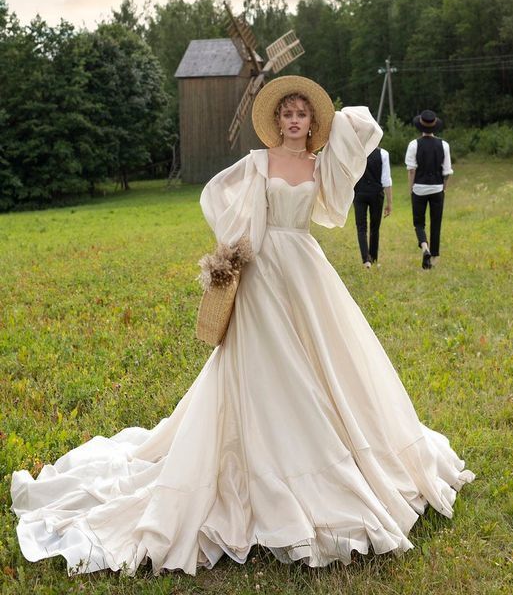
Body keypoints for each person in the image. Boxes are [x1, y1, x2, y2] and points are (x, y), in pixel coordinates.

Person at [11, 77, 473, 577]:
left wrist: (336, 123)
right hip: (263, 272)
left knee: (323, 362)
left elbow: (362, 129)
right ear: (276, 122)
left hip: (305, 271)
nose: (293, 121)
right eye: (287, 114)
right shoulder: (258, 162)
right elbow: (216, 195)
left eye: (302, 115)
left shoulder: (320, 165)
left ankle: (331, 451)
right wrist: (233, 246)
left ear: (312, 122)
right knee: (262, 362)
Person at [405, 110, 453, 269]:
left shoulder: (414, 144)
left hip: (419, 188)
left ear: (420, 127)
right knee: (436, 222)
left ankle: (425, 246)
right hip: (437, 188)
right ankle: (434, 258)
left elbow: (411, 170)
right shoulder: (444, 145)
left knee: (419, 223)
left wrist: (411, 188)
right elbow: (447, 171)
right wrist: (444, 189)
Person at [353, 146, 392, 268]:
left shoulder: (355, 152)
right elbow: (386, 180)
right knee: (375, 228)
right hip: (376, 194)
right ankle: (373, 258)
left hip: (359, 193)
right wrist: (389, 202)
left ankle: (366, 260)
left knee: (361, 228)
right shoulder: (383, 153)